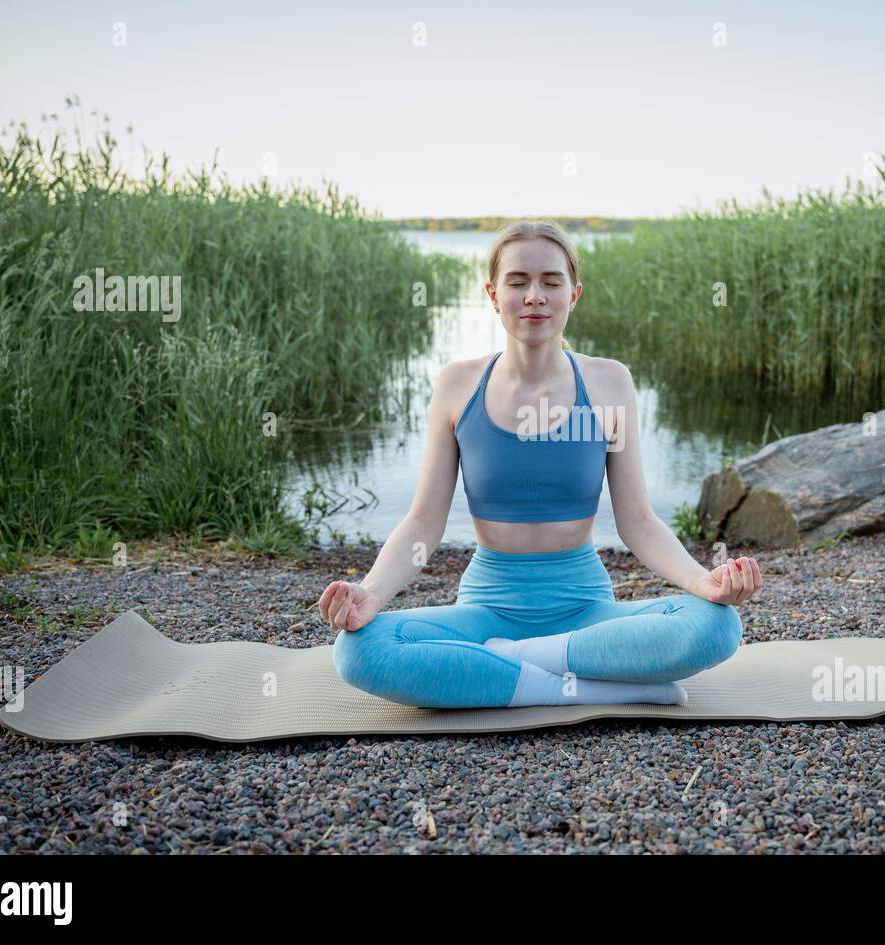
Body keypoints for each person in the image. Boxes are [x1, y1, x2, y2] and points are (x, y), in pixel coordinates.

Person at [322, 220, 762, 708]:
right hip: (487, 608)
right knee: (359, 650)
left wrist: (703, 581)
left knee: (716, 625)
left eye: (551, 281)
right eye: (518, 282)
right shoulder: (456, 384)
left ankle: (510, 665)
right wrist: (370, 593)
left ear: (574, 294)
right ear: (494, 294)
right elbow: (424, 521)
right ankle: (586, 684)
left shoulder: (609, 382)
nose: (535, 295)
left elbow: (637, 522)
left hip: (585, 607)